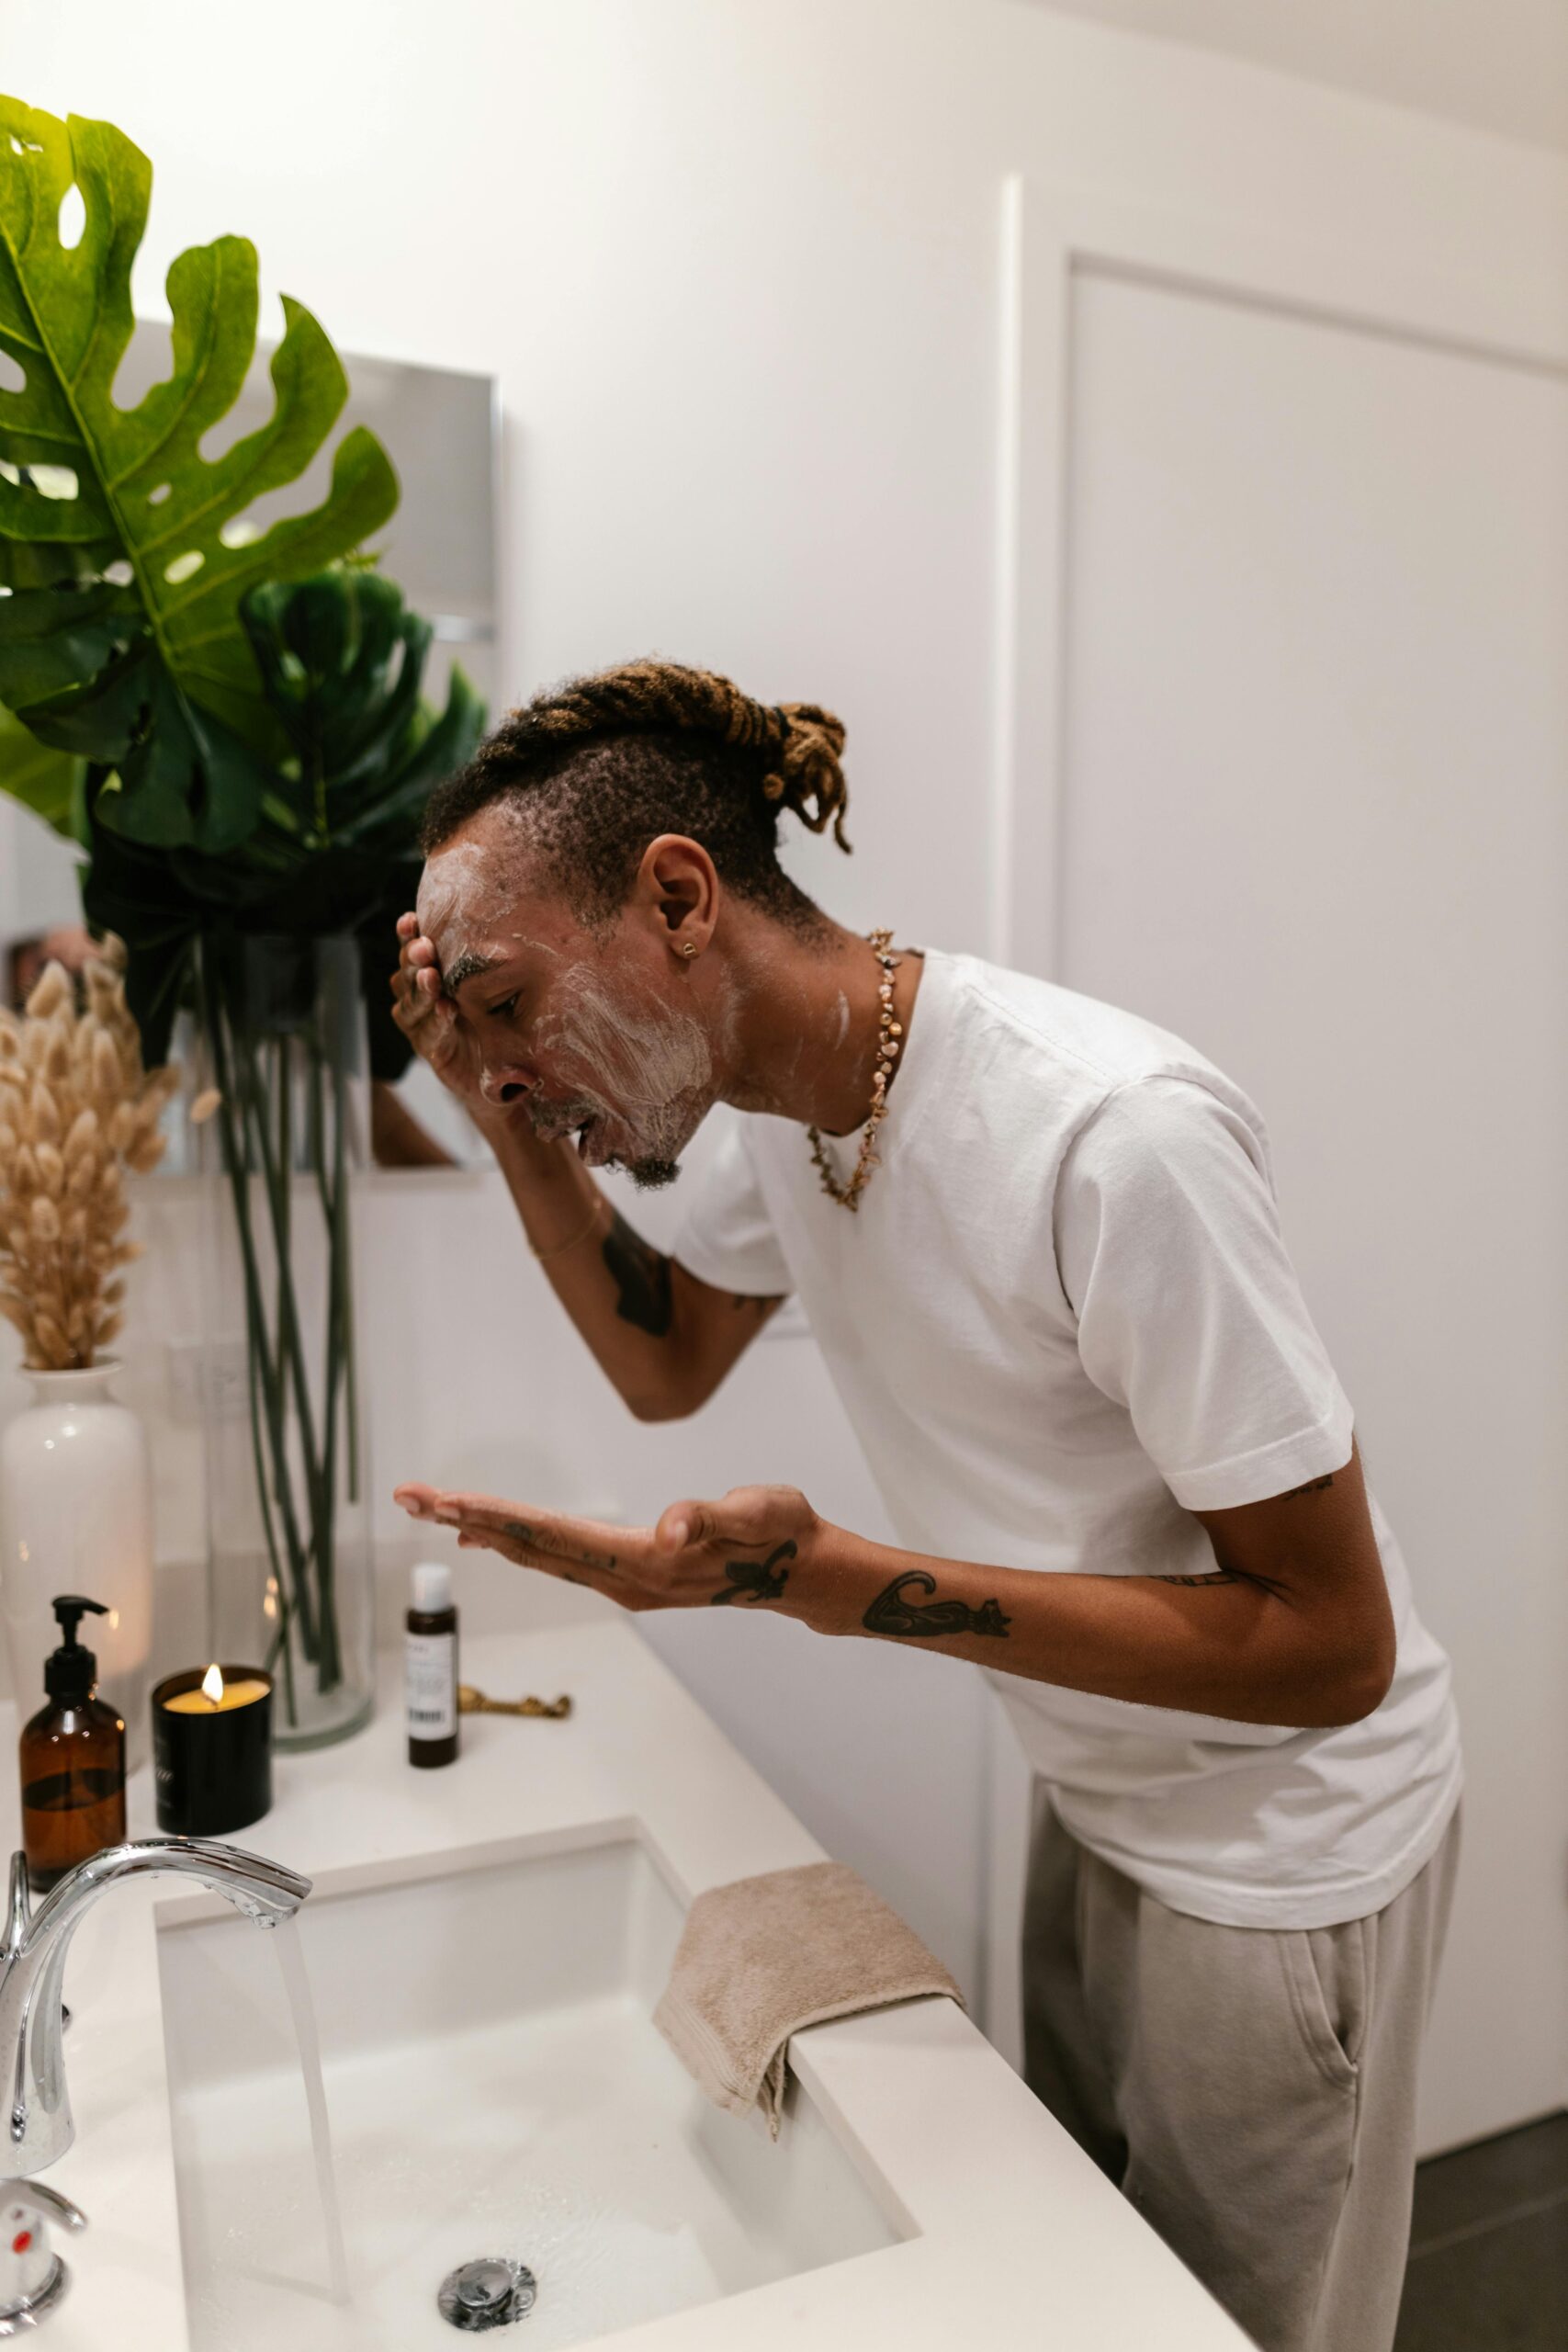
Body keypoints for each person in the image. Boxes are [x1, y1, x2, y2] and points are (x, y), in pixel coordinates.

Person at [389, 659, 1461, 2352]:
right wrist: (499, 1106)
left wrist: (845, 1583)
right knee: (1104, 2298)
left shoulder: (1112, 1139)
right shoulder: (777, 1111)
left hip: (1282, 1846)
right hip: (1096, 1779)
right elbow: (663, 1366)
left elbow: (1333, 1645)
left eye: (508, 1002)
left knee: (1245, 2330)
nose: (503, 1061)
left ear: (677, 895)